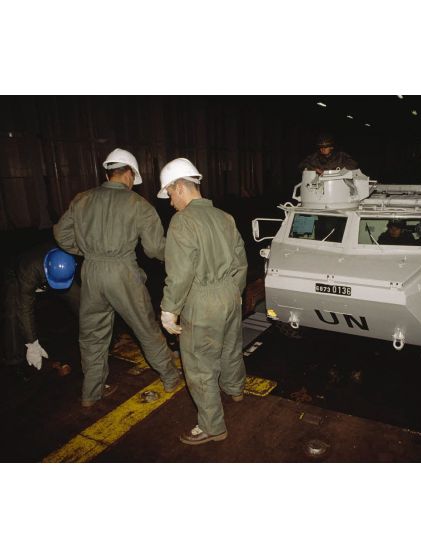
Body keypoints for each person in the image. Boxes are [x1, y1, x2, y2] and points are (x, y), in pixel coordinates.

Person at [53, 148, 181, 408]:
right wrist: (181, 255)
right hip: (123, 272)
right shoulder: (138, 204)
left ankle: (91, 392)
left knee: (92, 335)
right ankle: (170, 377)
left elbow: (61, 235)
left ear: (108, 173)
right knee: (146, 329)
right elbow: (155, 248)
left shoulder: (82, 199)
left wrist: (89, 252)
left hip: (91, 272)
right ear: (130, 175)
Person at [157, 157, 248, 445]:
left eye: (170, 194)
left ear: (180, 187)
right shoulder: (225, 217)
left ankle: (212, 427)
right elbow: (241, 263)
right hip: (230, 293)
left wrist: (169, 310)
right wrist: (233, 293)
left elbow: (180, 273)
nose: (171, 202)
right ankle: (235, 389)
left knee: (199, 365)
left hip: (203, 300)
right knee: (230, 346)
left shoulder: (182, 222)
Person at [1, 244, 79, 380]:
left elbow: (79, 299)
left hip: (52, 272)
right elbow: (25, 309)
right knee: (13, 315)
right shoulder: (28, 271)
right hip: (15, 276)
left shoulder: (66, 261)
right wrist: (32, 343)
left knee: (78, 299)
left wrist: (95, 327)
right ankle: (14, 362)